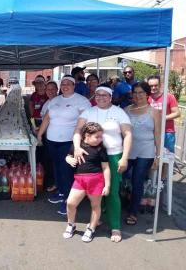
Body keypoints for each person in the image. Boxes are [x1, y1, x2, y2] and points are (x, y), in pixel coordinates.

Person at [73, 85, 132, 243]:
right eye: (98, 95)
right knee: (96, 192)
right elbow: (78, 131)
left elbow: (128, 134)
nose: (100, 97)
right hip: (92, 157)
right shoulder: (89, 111)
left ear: (111, 97)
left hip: (113, 156)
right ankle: (97, 218)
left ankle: (115, 226)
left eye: (104, 95)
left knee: (111, 191)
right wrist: (77, 148)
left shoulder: (119, 112)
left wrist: (124, 157)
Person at [37, 75, 91, 215]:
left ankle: (69, 200)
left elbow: (86, 122)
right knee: (56, 168)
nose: (65, 86)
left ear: (74, 86)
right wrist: (39, 134)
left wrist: (81, 142)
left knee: (66, 171)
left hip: (69, 141)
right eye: (63, 84)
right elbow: (47, 118)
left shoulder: (81, 101)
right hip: (52, 140)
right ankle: (61, 192)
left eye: (69, 84)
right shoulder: (55, 100)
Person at [63, 122, 110, 242]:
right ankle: (71, 225)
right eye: (97, 137)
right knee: (70, 203)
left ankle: (91, 229)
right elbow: (67, 156)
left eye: (101, 136)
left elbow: (106, 168)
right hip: (79, 180)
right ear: (87, 136)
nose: (100, 139)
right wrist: (69, 160)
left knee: (95, 206)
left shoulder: (101, 149)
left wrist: (107, 185)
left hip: (96, 180)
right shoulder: (77, 146)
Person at [124, 82, 161, 225]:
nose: (138, 95)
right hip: (129, 150)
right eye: (135, 92)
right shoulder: (127, 110)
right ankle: (123, 202)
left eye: (141, 92)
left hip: (146, 151)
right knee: (122, 177)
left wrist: (158, 156)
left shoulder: (154, 112)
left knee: (137, 180)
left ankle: (133, 212)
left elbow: (157, 134)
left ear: (147, 94)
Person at [147, 75, 181, 154]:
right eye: (151, 86)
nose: (153, 88)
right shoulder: (146, 98)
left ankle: (164, 167)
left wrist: (161, 118)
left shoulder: (169, 97)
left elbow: (177, 113)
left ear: (160, 85)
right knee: (152, 155)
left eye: (156, 85)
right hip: (151, 132)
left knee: (168, 157)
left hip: (167, 132)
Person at [39, 80, 59, 192]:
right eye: (48, 89)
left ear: (57, 90)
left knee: (54, 161)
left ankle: (56, 183)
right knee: (48, 160)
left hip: (55, 136)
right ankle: (52, 181)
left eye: (52, 89)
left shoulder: (58, 101)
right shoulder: (48, 102)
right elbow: (44, 119)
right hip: (47, 135)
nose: (50, 91)